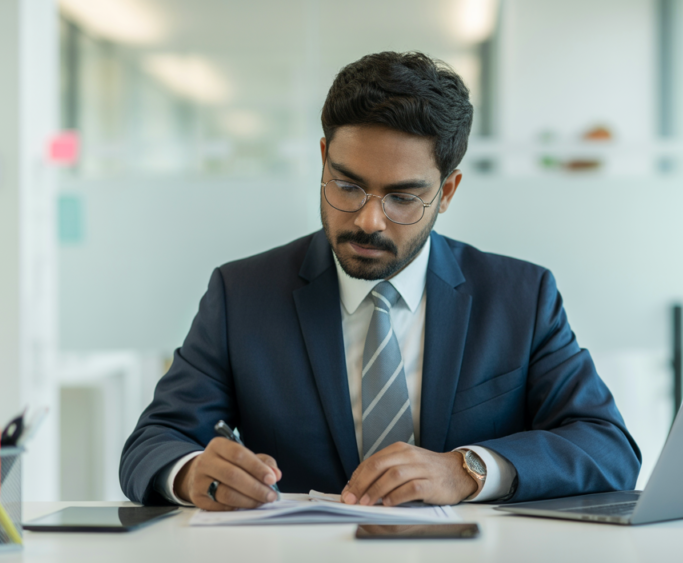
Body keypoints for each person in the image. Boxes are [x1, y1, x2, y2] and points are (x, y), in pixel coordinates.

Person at [120, 51, 640, 510]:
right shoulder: (243, 295)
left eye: (402, 198)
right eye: (347, 185)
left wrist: (467, 470)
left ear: (448, 191)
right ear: (323, 159)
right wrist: (190, 475)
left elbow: (606, 446)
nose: (369, 220)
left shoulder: (520, 298)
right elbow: (154, 442)